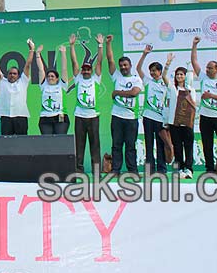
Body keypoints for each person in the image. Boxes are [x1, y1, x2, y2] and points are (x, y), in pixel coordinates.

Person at [191, 33, 217, 175]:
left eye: (210, 68)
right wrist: (194, 45)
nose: (207, 70)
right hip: (205, 117)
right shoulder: (203, 78)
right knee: (207, 144)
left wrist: (211, 95)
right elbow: (194, 62)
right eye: (207, 68)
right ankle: (209, 168)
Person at [69, 33, 104, 174]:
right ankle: (79, 170)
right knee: (79, 144)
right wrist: (71, 46)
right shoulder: (78, 78)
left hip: (93, 116)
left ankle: (96, 171)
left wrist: (100, 45)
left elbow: (100, 62)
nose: (86, 71)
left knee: (95, 145)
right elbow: (74, 62)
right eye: (84, 69)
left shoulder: (96, 79)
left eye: (88, 69)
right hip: (79, 116)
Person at [109, 36, 142, 175]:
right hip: (117, 116)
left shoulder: (136, 79)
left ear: (130, 66)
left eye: (125, 65)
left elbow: (134, 93)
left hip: (131, 118)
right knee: (116, 145)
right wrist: (108, 43)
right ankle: (116, 170)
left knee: (130, 146)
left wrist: (117, 92)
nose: (123, 67)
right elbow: (110, 60)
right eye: (121, 65)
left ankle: (132, 170)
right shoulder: (116, 76)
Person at [136, 46, 172, 174]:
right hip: (148, 117)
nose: (152, 73)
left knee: (161, 144)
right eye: (151, 71)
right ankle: (150, 169)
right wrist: (144, 54)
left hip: (160, 119)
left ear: (160, 72)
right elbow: (138, 69)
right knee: (149, 143)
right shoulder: (147, 82)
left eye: (155, 71)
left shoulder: (166, 83)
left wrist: (167, 64)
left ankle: (162, 168)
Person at [0, 38, 32, 135]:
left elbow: (28, 65)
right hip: (6, 117)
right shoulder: (2, 81)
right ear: (7, 74)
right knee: (7, 143)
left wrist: (31, 50)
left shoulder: (23, 81)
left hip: (21, 116)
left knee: (22, 142)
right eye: (10, 73)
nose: (12, 75)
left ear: (18, 75)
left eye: (14, 74)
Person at [165, 65, 196, 178]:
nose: (179, 76)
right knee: (177, 146)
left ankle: (188, 169)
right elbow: (164, 77)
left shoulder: (191, 90)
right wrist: (168, 64)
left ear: (185, 76)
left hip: (187, 123)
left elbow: (193, 106)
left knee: (188, 146)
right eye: (177, 74)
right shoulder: (173, 88)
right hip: (175, 123)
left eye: (181, 74)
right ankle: (179, 169)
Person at [38, 46, 71, 134]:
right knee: (47, 142)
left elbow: (64, 69)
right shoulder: (43, 85)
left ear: (57, 78)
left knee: (60, 141)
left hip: (60, 116)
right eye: (48, 76)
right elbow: (41, 70)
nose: (50, 78)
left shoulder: (62, 85)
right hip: (45, 117)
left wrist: (63, 53)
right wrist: (38, 54)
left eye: (52, 76)